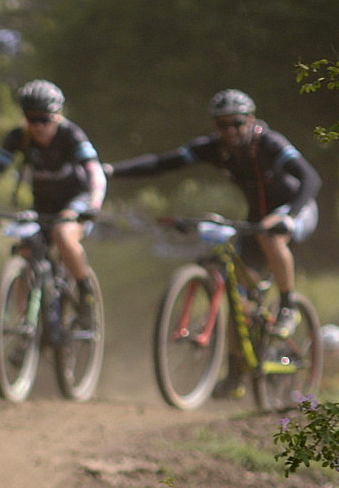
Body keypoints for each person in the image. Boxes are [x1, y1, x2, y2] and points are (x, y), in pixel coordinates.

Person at [107, 90, 322, 337]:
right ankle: (236, 371)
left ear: (250, 120)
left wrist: (289, 216)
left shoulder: (269, 143)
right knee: (238, 298)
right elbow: (163, 162)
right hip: (257, 217)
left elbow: (311, 178)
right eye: (223, 124)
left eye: (237, 123)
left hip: (297, 208)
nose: (230, 131)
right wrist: (112, 171)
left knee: (269, 236)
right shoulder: (213, 148)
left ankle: (287, 306)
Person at [0, 79, 106, 329]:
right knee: (25, 250)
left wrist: (94, 205)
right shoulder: (18, 137)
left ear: (57, 116)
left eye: (45, 119)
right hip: (42, 205)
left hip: (76, 201)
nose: (38, 126)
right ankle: (25, 325)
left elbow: (95, 172)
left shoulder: (71, 135)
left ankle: (86, 295)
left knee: (63, 235)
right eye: (31, 119)